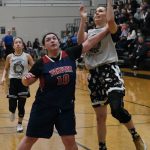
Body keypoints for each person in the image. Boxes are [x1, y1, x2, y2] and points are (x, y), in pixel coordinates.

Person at [17, 28, 109, 150]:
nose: (52, 41)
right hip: (43, 107)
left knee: (69, 141)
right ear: (44, 46)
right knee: (30, 139)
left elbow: (90, 42)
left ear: (59, 42)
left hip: (65, 108)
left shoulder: (69, 54)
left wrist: (107, 28)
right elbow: (28, 81)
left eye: (54, 38)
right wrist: (25, 79)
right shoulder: (41, 63)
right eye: (48, 40)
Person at [77, 1, 147, 150]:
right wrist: (83, 20)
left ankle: (135, 135)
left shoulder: (110, 28)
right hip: (93, 75)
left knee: (116, 109)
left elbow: (110, 20)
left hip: (109, 70)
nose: (97, 13)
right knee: (100, 117)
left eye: (101, 11)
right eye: (96, 11)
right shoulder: (89, 33)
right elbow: (79, 42)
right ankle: (102, 146)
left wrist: (109, 2)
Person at [0, 37, 34, 132]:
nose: (18, 44)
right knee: (12, 103)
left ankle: (19, 124)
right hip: (13, 82)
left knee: (21, 105)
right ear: (13, 45)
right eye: (16, 42)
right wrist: (3, 77)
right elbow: (6, 69)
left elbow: (34, 67)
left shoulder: (27, 56)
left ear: (22, 45)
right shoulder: (9, 57)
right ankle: (12, 111)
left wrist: (31, 75)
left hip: (23, 82)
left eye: (20, 42)